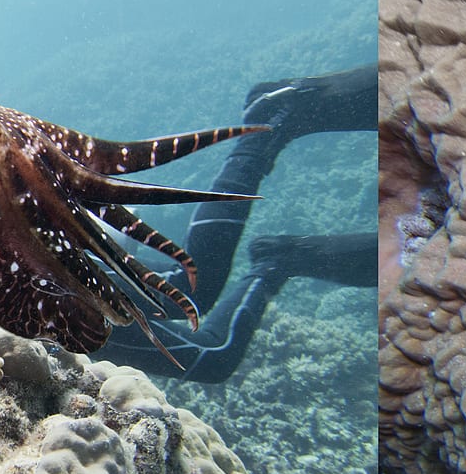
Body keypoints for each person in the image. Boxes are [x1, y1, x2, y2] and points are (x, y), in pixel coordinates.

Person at [99, 63, 377, 382]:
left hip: (47, 274)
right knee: (198, 308)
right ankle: (277, 259)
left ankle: (268, 124)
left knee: (197, 310)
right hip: (52, 263)